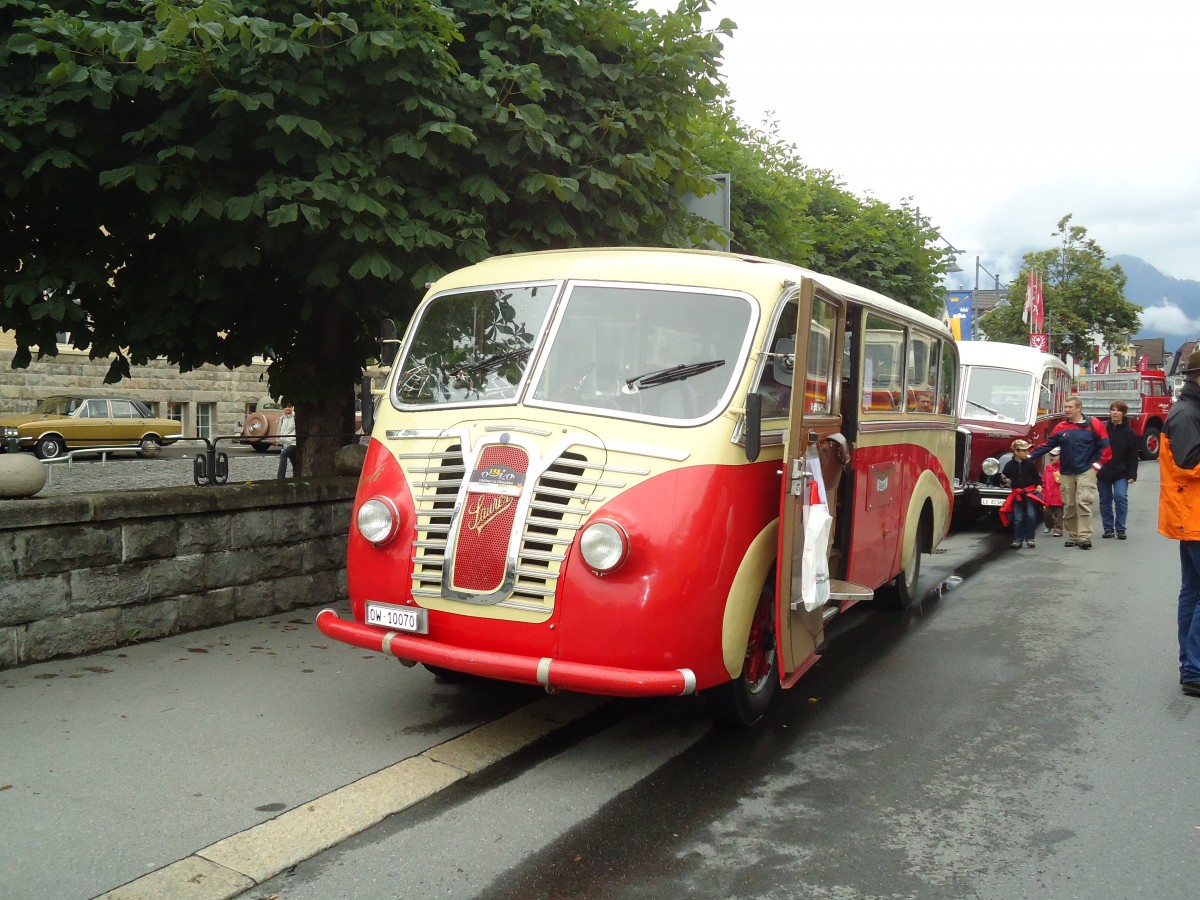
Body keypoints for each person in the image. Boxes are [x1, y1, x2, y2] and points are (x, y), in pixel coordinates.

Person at [1159, 348, 1200, 697]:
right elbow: (1190, 464)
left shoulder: (1189, 408)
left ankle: (1191, 668)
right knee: (1195, 594)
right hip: (1196, 517)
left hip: (1193, 516)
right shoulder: (1187, 413)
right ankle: (1194, 670)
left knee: (1192, 593)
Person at [1030, 395, 1108, 550]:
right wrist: (1030, 456)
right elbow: (1048, 445)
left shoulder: (1094, 424)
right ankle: (1073, 535)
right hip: (1066, 471)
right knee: (1070, 504)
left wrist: (1095, 468)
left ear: (1079, 408)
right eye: (1065, 407)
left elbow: (1105, 448)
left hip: (1086, 470)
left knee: (1083, 502)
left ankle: (1084, 537)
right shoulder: (1061, 427)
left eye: (1069, 407)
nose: (1066, 410)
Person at [1097, 400, 1139, 539]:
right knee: (1105, 501)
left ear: (1124, 413)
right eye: (1112, 409)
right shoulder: (1103, 429)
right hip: (1103, 472)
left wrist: (1132, 474)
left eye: (1118, 410)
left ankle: (1120, 528)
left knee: (1120, 497)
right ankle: (1108, 528)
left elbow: (1133, 455)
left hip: (1121, 472)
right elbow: (1095, 448)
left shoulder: (1129, 433)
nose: (1114, 412)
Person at [999, 439, 1043, 549]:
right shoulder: (1009, 465)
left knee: (1031, 515)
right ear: (1016, 452)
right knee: (1018, 517)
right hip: (1017, 494)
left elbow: (1036, 477)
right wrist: (1003, 480)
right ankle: (1018, 539)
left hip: (1030, 493)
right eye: (1024, 451)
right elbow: (1004, 477)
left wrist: (1039, 485)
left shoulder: (1030, 464)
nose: (1027, 453)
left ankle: (1030, 538)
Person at [1041, 446, 1064, 537]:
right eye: (1051, 455)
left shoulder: (1064, 468)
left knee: (1059, 513)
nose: (1052, 457)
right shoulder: (1048, 467)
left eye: (1055, 455)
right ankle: (1049, 525)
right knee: (1046, 512)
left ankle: (1058, 529)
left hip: (1058, 495)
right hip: (1048, 494)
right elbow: (1044, 480)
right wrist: (1043, 489)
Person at [276, 403, 298, 478]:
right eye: (286, 406)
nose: (287, 408)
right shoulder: (282, 418)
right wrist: (278, 440)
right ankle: (297, 476)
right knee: (294, 461)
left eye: (289, 407)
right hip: (284, 443)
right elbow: (279, 430)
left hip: (293, 443)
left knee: (283, 456)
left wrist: (293, 439)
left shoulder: (295, 418)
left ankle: (280, 477)